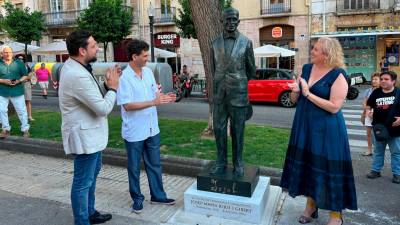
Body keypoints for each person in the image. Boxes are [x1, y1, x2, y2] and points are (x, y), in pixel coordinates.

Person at [280, 37, 357, 225]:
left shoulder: (339, 75)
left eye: (316, 49)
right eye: (313, 48)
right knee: (309, 166)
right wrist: (296, 91)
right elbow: (294, 100)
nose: (312, 51)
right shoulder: (306, 69)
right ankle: (310, 206)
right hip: (305, 126)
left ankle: (335, 215)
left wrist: (307, 93)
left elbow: (334, 107)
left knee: (329, 169)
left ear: (327, 54)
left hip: (328, 130)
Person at [59, 30, 120, 225]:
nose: (98, 48)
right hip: (85, 139)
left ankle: (90, 212)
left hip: (92, 136)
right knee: (82, 183)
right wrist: (113, 88)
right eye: (93, 46)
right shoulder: (76, 74)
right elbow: (103, 108)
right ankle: (82, 220)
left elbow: (90, 96)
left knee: (90, 178)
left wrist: (105, 85)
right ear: (81, 50)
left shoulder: (79, 66)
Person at [116, 39, 176, 214]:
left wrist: (164, 98)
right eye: (144, 55)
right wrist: (153, 101)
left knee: (155, 164)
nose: (147, 58)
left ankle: (158, 195)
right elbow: (127, 105)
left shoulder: (148, 72)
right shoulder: (124, 78)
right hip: (134, 131)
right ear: (134, 56)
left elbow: (154, 95)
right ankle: (137, 198)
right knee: (134, 167)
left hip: (152, 128)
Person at [209, 7, 256, 177]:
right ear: (222, 21)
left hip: (238, 95)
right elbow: (214, 69)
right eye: (227, 20)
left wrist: (237, 82)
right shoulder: (214, 43)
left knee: (238, 131)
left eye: (234, 20)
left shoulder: (246, 43)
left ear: (239, 21)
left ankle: (238, 163)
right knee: (219, 130)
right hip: (219, 95)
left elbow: (252, 71)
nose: (231, 23)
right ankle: (221, 162)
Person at [366, 71, 400, 184]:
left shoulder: (398, 93)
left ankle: (397, 174)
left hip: (395, 128)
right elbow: (369, 104)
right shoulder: (376, 92)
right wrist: (369, 111)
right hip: (379, 128)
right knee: (378, 151)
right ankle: (376, 170)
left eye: (386, 79)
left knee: (396, 152)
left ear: (393, 81)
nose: (383, 81)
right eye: (382, 79)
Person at [0, 46, 30, 138]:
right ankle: (5, 129)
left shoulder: (19, 63)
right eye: (5, 52)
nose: (8, 54)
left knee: (21, 111)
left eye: (9, 52)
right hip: (2, 91)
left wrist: (19, 81)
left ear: (12, 53)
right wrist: (3, 81)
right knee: (1, 110)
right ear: (2, 54)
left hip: (17, 91)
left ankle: (25, 129)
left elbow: (26, 76)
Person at [361, 72, 380, 156]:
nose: (373, 81)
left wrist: (375, 111)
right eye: (373, 79)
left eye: (376, 79)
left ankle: (378, 150)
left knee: (378, 133)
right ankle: (369, 149)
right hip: (368, 114)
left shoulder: (382, 91)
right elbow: (364, 102)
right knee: (368, 133)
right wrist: (367, 111)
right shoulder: (368, 91)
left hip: (379, 114)